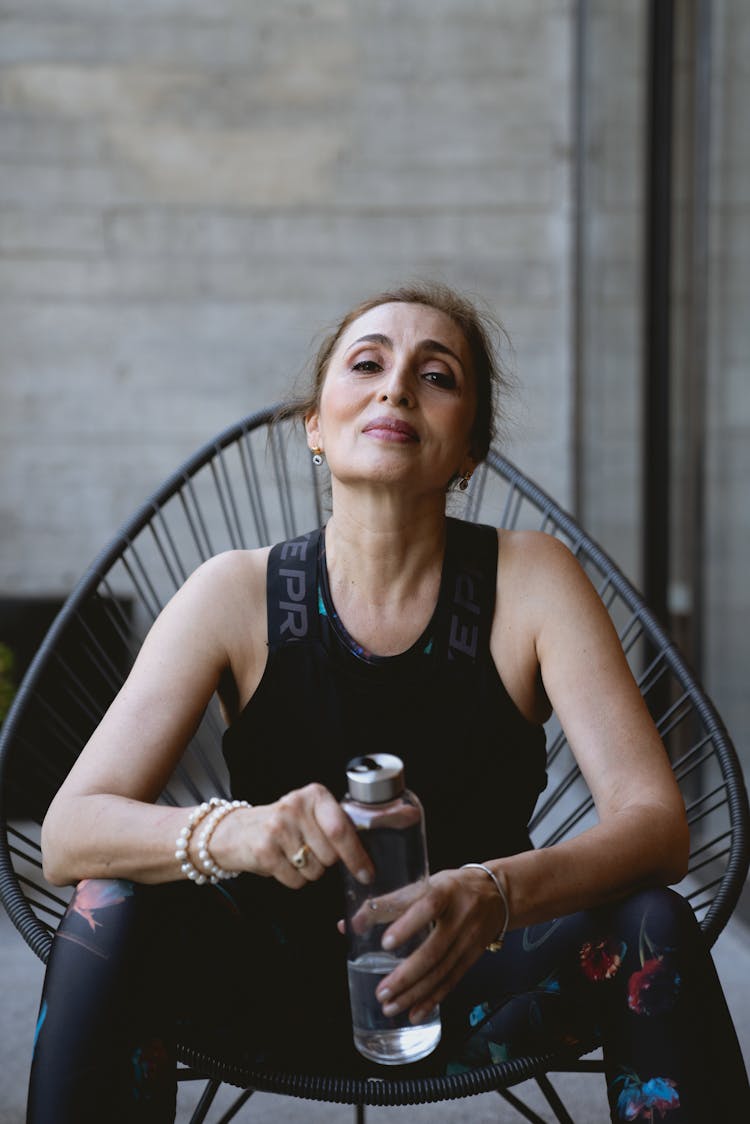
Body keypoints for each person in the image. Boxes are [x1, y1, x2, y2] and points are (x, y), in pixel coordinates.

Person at [28, 283, 748, 1122]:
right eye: (367, 363)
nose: (397, 387)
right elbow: (69, 832)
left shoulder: (533, 580)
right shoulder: (233, 593)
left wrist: (492, 892)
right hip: (262, 987)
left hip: (484, 981)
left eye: (436, 376)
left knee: (652, 919)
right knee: (106, 903)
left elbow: (657, 824)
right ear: (314, 426)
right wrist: (235, 830)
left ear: (468, 451)